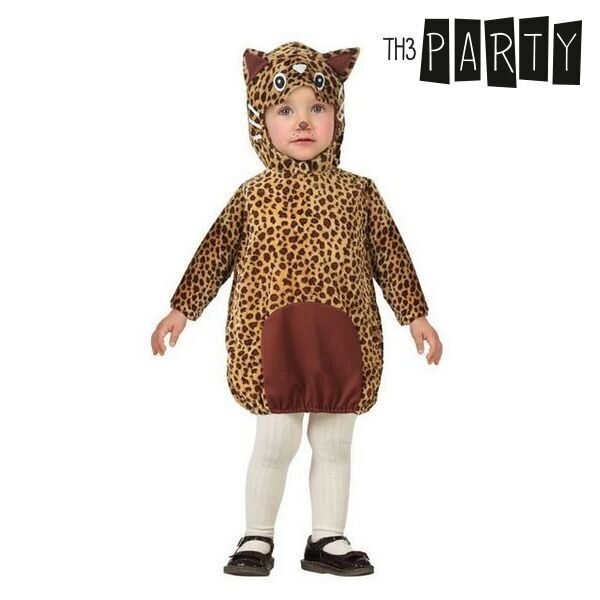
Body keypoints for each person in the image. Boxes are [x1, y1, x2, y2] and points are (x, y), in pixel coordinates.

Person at [151, 41, 443, 577]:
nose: (303, 121)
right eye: (285, 109)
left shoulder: (359, 194)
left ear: (337, 116)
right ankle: (256, 536)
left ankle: (327, 537)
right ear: (261, 120)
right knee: (276, 438)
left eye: (317, 107)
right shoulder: (252, 195)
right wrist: (181, 309)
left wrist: (415, 315)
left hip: (344, 336)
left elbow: (390, 255)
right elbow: (215, 253)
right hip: (272, 338)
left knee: (334, 440)